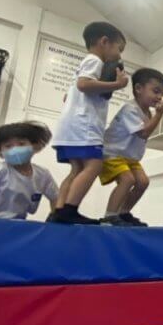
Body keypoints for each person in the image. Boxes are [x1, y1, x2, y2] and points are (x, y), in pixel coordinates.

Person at [50, 21, 128, 225]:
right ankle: (70, 210)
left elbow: (69, 95)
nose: (119, 56)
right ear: (104, 42)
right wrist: (117, 84)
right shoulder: (95, 60)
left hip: (70, 127)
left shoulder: (83, 65)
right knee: (94, 165)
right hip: (83, 126)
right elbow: (84, 85)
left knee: (76, 169)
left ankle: (59, 211)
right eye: (119, 49)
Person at [99, 68, 163, 227]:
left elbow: (146, 132)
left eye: (162, 94)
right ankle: (109, 216)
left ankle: (123, 213)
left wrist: (156, 116)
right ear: (138, 88)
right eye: (156, 91)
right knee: (127, 180)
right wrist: (159, 115)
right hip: (113, 153)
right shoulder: (130, 109)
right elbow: (144, 133)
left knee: (143, 182)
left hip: (129, 157)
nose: (159, 97)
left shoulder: (148, 113)